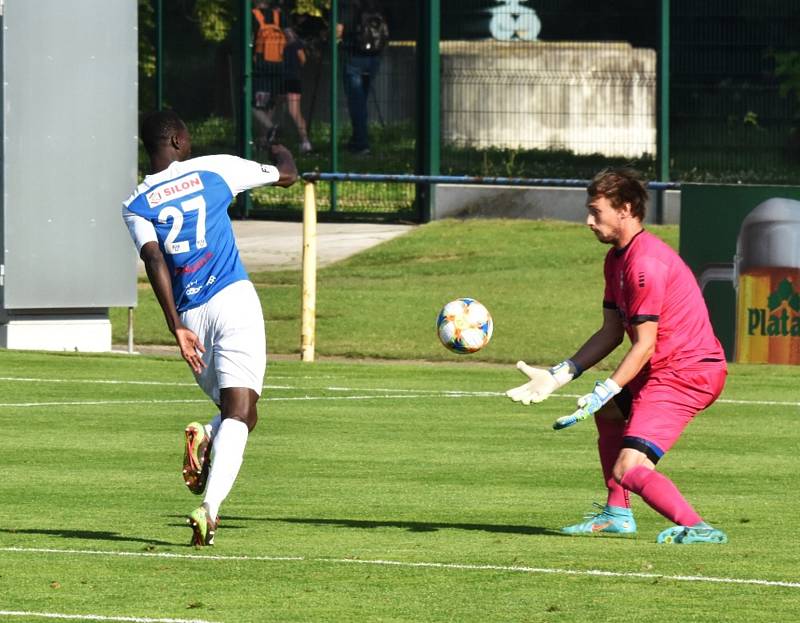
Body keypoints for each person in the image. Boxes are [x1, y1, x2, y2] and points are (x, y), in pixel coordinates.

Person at [506, 168, 729, 545]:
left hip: (686, 373)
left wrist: (607, 386)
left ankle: (699, 528)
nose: (589, 221)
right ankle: (617, 514)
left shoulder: (645, 264)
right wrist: (560, 374)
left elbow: (643, 344)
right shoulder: (616, 259)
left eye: (597, 211)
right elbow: (611, 331)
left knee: (628, 467)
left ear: (625, 209)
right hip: (666, 367)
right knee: (610, 413)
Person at [122, 110, 298, 546]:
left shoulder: (135, 204)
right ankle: (210, 508)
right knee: (241, 413)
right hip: (234, 300)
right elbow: (288, 177)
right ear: (179, 141)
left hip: (192, 318)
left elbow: (154, 259)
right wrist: (280, 150)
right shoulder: (215, 168)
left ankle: (210, 435)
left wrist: (176, 328)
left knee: (242, 412)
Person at [337, 0, 389, 155]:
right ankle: (357, 139)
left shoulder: (347, 6)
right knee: (361, 100)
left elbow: (338, 31)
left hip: (354, 57)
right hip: (374, 57)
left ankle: (361, 143)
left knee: (356, 103)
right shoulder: (376, 5)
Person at [252, 1, 286, 150]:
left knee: (253, 105)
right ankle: (264, 140)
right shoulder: (279, 16)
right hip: (278, 67)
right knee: (269, 105)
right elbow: (290, 38)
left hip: (261, 68)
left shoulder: (253, 16)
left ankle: (271, 128)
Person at [283, 26, 312, 153]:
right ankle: (265, 139)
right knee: (269, 108)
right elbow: (303, 60)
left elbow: (303, 59)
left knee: (294, 112)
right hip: (284, 79)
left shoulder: (295, 45)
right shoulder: (283, 44)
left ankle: (305, 141)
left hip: (291, 80)